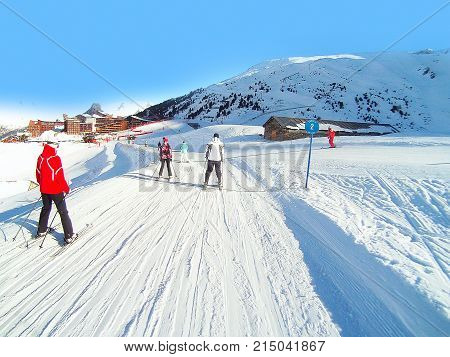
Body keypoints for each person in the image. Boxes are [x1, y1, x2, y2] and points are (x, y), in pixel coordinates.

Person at [35, 141, 77, 244]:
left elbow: (38, 173)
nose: (57, 148)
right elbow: (59, 176)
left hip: (44, 189)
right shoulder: (55, 158)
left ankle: (42, 230)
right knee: (63, 212)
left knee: (46, 208)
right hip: (56, 190)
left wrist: (43, 184)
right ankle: (69, 236)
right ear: (53, 146)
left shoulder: (41, 157)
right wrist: (66, 189)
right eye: (57, 146)